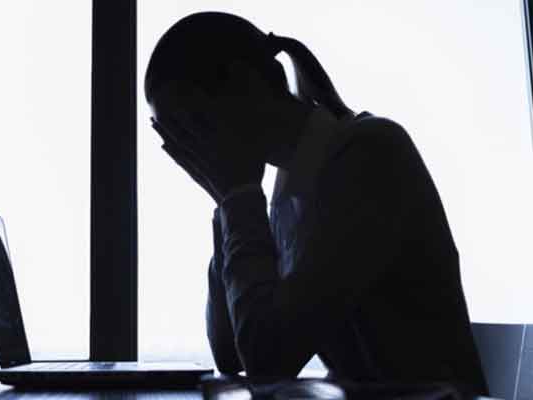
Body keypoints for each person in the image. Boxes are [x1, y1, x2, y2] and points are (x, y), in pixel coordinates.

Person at [144, 11, 489, 395]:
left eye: (190, 126)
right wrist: (226, 203)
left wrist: (237, 198)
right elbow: (231, 354)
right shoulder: (290, 186)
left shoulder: (370, 155)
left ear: (245, 85)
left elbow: (266, 358)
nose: (192, 149)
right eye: (177, 137)